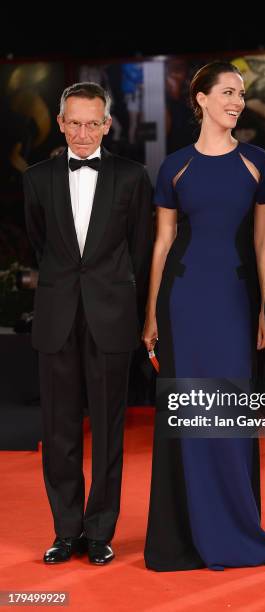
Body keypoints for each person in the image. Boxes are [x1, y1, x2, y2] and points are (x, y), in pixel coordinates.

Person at [142, 61, 265, 571]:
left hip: (233, 303)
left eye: (242, 94)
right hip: (182, 304)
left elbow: (263, 239)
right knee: (188, 417)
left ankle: (234, 530)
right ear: (200, 99)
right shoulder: (175, 166)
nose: (237, 101)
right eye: (227, 92)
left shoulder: (257, 162)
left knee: (227, 416)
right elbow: (162, 244)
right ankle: (181, 538)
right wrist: (150, 316)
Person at [23, 82, 152, 565]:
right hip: (57, 318)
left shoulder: (133, 177)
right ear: (60, 123)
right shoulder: (36, 179)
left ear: (107, 125)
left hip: (112, 317)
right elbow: (41, 245)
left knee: (108, 429)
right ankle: (65, 530)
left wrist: (130, 307)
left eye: (91, 123)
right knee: (58, 432)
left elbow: (139, 251)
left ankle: (99, 532)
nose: (82, 132)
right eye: (73, 122)